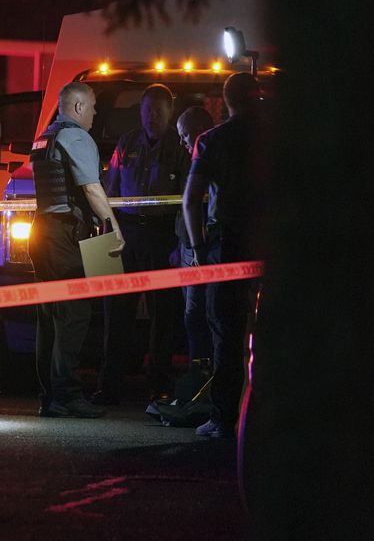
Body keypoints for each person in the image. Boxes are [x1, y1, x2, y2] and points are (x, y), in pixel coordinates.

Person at [29, 82, 124, 418]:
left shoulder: (45, 136)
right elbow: (92, 188)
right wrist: (113, 226)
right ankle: (67, 395)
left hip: (41, 233)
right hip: (64, 235)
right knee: (74, 314)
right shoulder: (76, 138)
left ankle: (49, 397)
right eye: (94, 106)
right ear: (79, 107)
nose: (96, 113)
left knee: (49, 317)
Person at [93, 84, 190, 405]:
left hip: (162, 235)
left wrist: (180, 244)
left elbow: (186, 202)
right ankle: (109, 385)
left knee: (163, 315)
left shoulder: (180, 146)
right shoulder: (128, 142)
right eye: (147, 110)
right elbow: (112, 191)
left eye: (158, 111)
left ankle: (159, 385)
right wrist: (108, 236)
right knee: (116, 313)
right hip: (129, 233)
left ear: (170, 112)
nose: (151, 116)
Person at [184, 72, 261, 439]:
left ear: (227, 100)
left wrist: (198, 250)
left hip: (226, 244)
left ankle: (222, 419)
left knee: (225, 332)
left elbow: (191, 200)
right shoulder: (280, 138)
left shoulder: (211, 141)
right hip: (269, 241)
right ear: (256, 96)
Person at [175, 106, 215, 368]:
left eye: (186, 135)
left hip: (203, 247)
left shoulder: (208, 156)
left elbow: (191, 204)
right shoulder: (189, 159)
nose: (183, 142)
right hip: (188, 246)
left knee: (198, 313)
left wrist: (197, 250)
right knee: (193, 314)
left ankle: (202, 374)